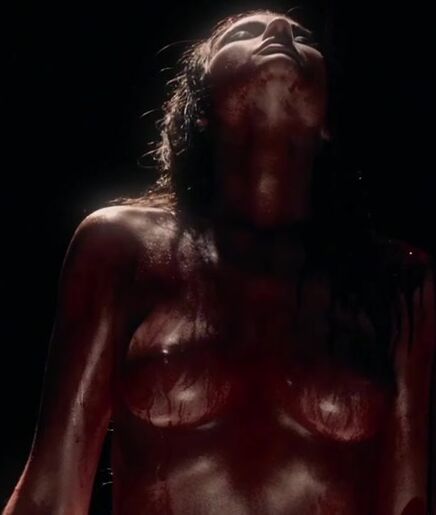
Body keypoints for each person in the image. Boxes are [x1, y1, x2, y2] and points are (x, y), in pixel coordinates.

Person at [4, 9, 435, 515]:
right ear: (200, 110)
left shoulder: (397, 279)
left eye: (303, 37)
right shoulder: (121, 246)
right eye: (245, 33)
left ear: (328, 124)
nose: (279, 32)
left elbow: (408, 500)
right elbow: (52, 489)